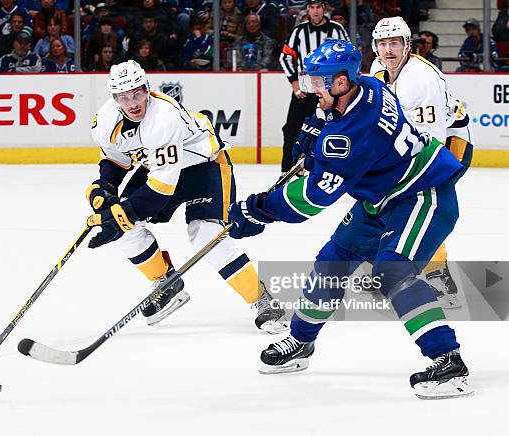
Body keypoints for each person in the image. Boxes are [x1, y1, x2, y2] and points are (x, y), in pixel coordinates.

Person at [228, 39, 472, 400]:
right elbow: (335, 127)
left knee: (393, 271)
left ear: (341, 82)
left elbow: (311, 200)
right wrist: (315, 126)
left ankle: (448, 361)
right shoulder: (370, 85)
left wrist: (259, 209)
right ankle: (301, 341)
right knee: (332, 261)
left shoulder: (349, 135)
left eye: (318, 82)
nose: (313, 89)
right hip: (381, 197)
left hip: (422, 194)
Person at [86, 60, 288, 332]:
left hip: (204, 167)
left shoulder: (163, 118)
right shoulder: (106, 120)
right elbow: (115, 159)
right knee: (125, 227)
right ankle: (166, 283)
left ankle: (261, 299)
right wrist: (105, 188)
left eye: (137, 93)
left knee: (204, 234)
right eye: (124, 97)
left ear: (146, 89)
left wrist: (121, 215)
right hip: (161, 168)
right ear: (115, 99)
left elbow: (160, 190)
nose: (133, 103)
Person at [370, 17, 473, 309]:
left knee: (422, 205)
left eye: (394, 43)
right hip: (413, 143)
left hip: (448, 146)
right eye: (382, 43)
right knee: (392, 204)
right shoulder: (379, 69)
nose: (388, 50)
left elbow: (431, 141)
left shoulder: (422, 78)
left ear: (407, 46)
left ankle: (439, 279)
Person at [278, 0, 348, 174]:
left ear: (324, 9)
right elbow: (285, 57)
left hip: (331, 90)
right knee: (292, 128)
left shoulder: (337, 30)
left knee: (335, 126)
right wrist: (295, 83)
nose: (315, 11)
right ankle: (288, 169)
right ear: (307, 9)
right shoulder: (299, 31)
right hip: (305, 89)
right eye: (312, 7)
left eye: (318, 7)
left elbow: (347, 55)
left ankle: (337, 167)